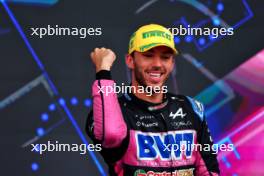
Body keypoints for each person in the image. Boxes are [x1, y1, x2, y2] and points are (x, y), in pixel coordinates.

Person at [86, 24, 220, 176]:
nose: (157, 64)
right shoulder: (115, 112)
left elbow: (209, 170)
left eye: (165, 57)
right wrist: (103, 70)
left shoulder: (191, 107)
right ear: (130, 60)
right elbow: (110, 134)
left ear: (172, 64)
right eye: (148, 55)